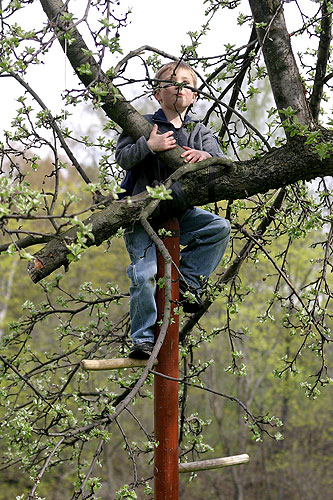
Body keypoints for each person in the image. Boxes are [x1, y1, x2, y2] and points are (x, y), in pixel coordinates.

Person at [115, 61, 231, 359]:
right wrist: (149, 146)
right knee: (145, 273)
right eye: (170, 81)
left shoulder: (198, 131)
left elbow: (221, 164)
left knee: (218, 228)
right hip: (141, 214)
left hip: (180, 211)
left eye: (186, 83)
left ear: (194, 95)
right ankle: (142, 338)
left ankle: (188, 283)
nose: (179, 86)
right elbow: (123, 158)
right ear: (157, 93)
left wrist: (205, 157)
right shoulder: (142, 124)